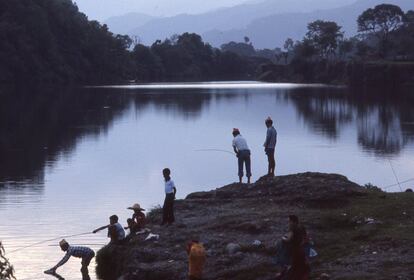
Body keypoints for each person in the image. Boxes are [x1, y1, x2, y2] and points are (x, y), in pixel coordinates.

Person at [275, 215, 310, 280]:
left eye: (289, 221)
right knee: (301, 264)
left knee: (293, 265)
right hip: (301, 249)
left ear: (293, 221)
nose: (289, 223)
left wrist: (283, 238)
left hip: (295, 250)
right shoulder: (302, 227)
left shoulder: (294, 228)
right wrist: (303, 243)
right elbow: (306, 237)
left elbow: (288, 239)